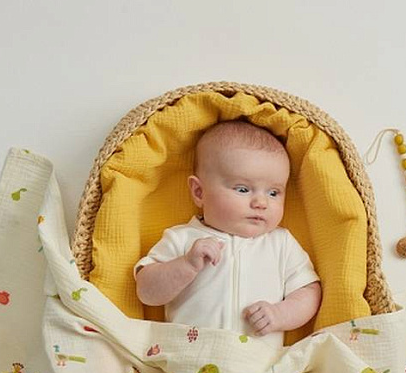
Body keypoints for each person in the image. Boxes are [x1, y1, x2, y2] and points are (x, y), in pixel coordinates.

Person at [133, 119, 322, 346]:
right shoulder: (182, 238)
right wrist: (186, 264)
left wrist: (279, 314)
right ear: (199, 192)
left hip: (257, 361)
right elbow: (146, 292)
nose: (261, 203)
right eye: (243, 189)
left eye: (273, 193)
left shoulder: (281, 243)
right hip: (187, 358)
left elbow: (309, 292)